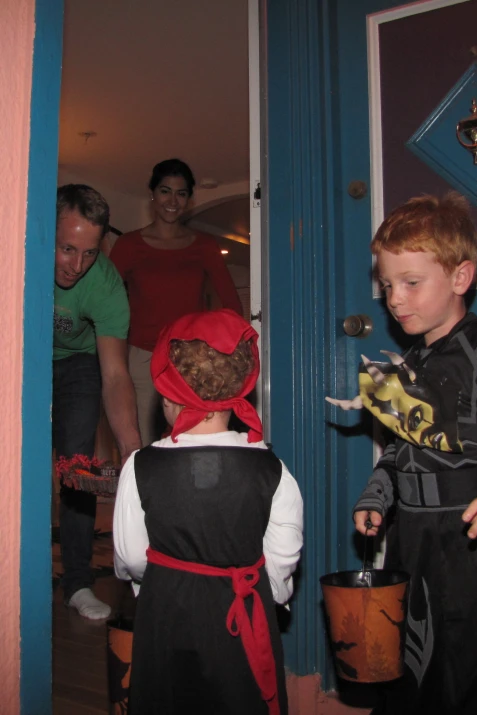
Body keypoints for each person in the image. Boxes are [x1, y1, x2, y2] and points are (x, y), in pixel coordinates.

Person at [328, 192, 477, 714]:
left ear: (461, 278)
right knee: (408, 661)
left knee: (474, 668)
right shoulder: (408, 362)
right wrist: (377, 496)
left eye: (411, 283)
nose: (394, 299)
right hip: (411, 536)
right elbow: (399, 448)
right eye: (388, 284)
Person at [113, 309, 303, 715]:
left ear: (166, 395)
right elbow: (282, 562)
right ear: (241, 390)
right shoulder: (273, 469)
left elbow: (130, 557)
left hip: (165, 613)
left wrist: (161, 582)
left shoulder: (140, 466)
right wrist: (272, 597)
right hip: (242, 612)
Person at [53, 184, 142, 619]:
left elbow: (115, 374)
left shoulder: (104, 283)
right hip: (20, 358)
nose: (77, 265)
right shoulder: (16, 256)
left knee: (77, 467)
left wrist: (131, 450)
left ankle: (76, 582)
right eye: (68, 249)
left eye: (89, 252)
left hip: (79, 365)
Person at [109, 158, 243, 446]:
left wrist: (222, 354)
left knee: (194, 441)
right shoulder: (129, 245)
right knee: (143, 445)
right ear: (153, 194)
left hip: (191, 360)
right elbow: (105, 302)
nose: (173, 200)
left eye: (181, 193)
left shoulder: (205, 246)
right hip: (142, 357)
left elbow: (232, 306)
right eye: (166, 191)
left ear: (189, 199)